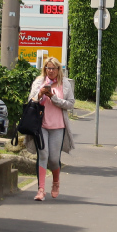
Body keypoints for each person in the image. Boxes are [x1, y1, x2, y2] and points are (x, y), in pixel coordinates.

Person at [26, 58, 75, 201]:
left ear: (58, 70)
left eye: (53, 68)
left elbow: (70, 104)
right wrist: (40, 94)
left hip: (58, 126)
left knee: (53, 159)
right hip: (41, 126)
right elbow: (31, 100)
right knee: (43, 155)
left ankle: (56, 182)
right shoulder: (39, 82)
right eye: (48, 68)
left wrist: (53, 97)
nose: (50, 71)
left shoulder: (64, 84)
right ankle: (41, 190)